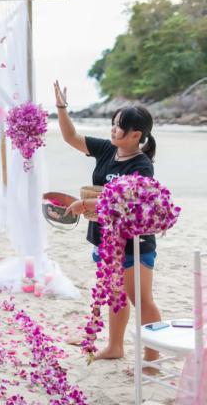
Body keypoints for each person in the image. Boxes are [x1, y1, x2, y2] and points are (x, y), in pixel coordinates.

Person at [54, 81, 161, 375]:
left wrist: (82, 205)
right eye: (112, 124)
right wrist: (62, 108)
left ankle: (152, 361)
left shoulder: (141, 166)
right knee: (115, 294)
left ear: (136, 134)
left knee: (141, 299)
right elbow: (71, 136)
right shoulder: (106, 150)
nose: (112, 130)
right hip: (104, 238)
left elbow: (123, 199)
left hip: (133, 243)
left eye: (118, 127)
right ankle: (115, 347)